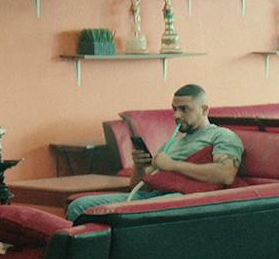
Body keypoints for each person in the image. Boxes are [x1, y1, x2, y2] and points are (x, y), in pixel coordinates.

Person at [66, 83, 242, 221]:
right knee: (79, 206)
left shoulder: (221, 135)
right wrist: (139, 166)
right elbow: (139, 186)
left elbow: (226, 174)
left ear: (204, 109)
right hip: (153, 196)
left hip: (184, 198)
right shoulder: (171, 143)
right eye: (174, 109)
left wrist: (173, 165)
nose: (177, 116)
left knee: (127, 213)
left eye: (184, 109)